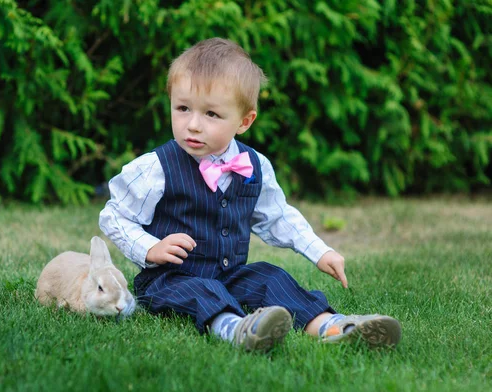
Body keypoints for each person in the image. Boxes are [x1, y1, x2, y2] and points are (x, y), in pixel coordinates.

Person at [99, 38, 401, 352]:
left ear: (244, 121)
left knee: (271, 277)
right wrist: (150, 248)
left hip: (230, 275)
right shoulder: (156, 168)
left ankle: (333, 326)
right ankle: (237, 329)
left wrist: (320, 251)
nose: (193, 124)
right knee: (201, 290)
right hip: (169, 280)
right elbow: (114, 216)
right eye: (183, 108)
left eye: (211, 114)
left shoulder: (255, 166)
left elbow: (279, 217)